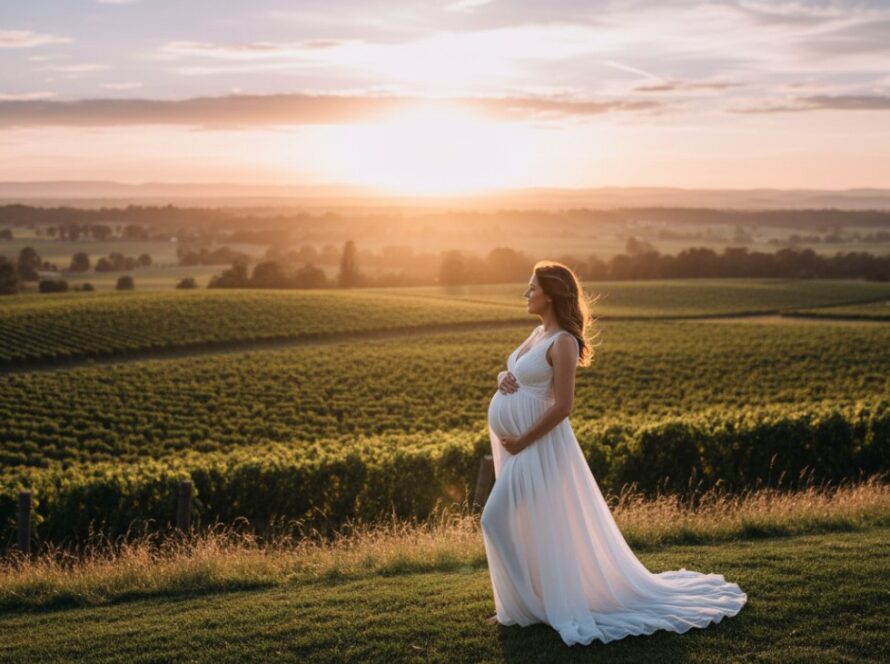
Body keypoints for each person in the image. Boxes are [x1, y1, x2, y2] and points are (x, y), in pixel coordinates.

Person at [481, 260, 747, 646]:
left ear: (552, 295)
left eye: (532, 288)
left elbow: (563, 406)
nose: (526, 293)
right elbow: (514, 374)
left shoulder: (564, 343)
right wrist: (501, 377)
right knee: (522, 526)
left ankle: (530, 607)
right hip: (521, 449)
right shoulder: (538, 333)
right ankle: (527, 605)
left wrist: (522, 441)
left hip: (537, 449)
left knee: (494, 519)